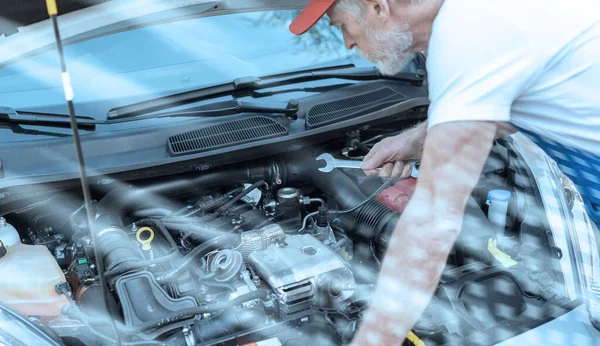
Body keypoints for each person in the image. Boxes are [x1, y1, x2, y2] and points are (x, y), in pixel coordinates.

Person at [288, 0, 600, 345]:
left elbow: (433, 224)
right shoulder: (480, 15)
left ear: (378, 7)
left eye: (342, 26)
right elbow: (516, 103)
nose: (347, 43)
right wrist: (416, 140)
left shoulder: (463, 39)